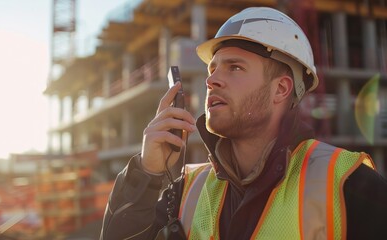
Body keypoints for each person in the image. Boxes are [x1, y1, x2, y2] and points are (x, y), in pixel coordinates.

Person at [100, 7, 387, 240]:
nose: (211, 80)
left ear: (281, 89)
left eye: (235, 67)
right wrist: (147, 172)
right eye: (212, 69)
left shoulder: (349, 186)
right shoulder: (188, 190)